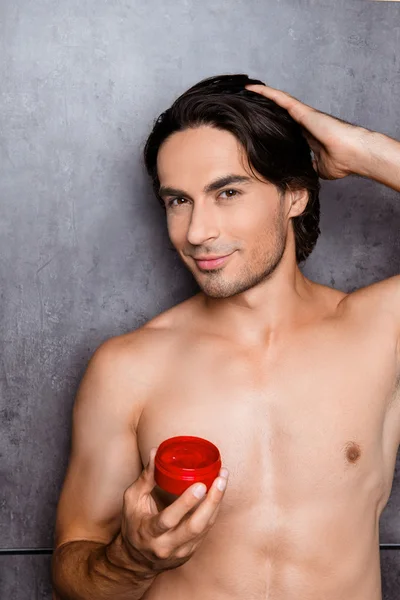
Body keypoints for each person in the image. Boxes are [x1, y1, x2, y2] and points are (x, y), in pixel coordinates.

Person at [51, 74, 400, 600]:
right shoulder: (129, 366)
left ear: (295, 196)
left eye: (227, 192)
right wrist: (130, 561)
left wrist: (362, 151)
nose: (195, 232)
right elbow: (73, 568)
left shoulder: (378, 330)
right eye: (178, 201)